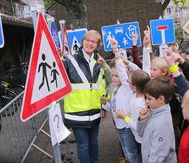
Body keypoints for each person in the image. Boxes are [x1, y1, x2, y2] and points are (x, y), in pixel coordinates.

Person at [62, 30, 107, 163]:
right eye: (88, 40)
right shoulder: (69, 60)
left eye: (94, 41)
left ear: (97, 45)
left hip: (94, 112)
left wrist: (104, 105)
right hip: (76, 113)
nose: (90, 43)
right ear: (82, 41)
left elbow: (102, 86)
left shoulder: (99, 63)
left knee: (94, 143)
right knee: (83, 145)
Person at [102, 38, 140, 163]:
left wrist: (116, 51)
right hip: (119, 127)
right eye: (112, 75)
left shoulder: (126, 87)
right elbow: (113, 108)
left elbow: (123, 74)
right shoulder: (115, 91)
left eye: (116, 75)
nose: (113, 78)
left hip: (126, 127)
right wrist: (105, 104)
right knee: (126, 151)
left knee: (131, 152)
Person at [138, 77, 177, 163]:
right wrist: (142, 120)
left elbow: (157, 156)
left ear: (161, 99)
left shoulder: (162, 124)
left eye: (149, 98)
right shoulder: (153, 110)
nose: (146, 101)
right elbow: (141, 133)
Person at [115, 69, 150, 156]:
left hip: (142, 139)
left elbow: (138, 127)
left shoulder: (139, 104)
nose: (127, 82)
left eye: (128, 81)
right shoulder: (135, 95)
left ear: (134, 86)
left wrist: (124, 117)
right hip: (138, 137)